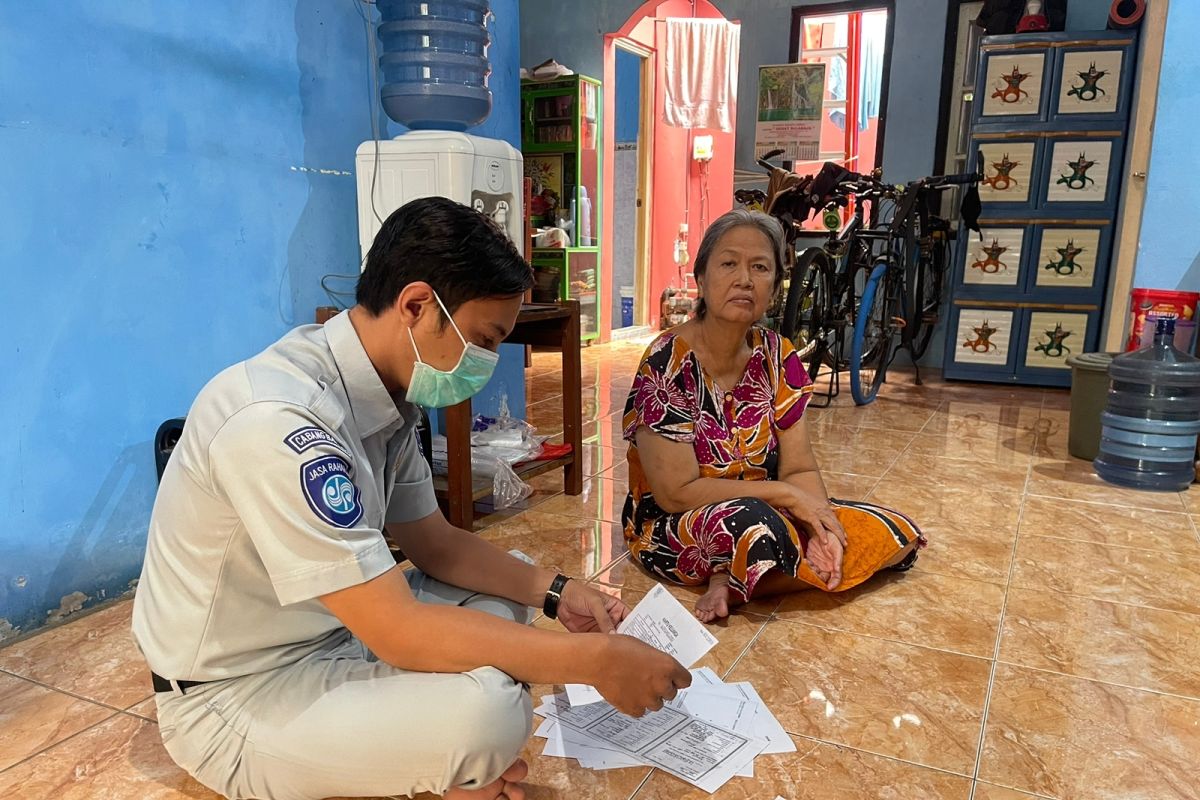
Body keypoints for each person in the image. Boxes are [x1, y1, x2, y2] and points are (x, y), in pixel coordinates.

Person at [132, 197, 691, 800]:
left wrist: (559, 594)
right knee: (490, 718)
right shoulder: (279, 423)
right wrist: (597, 662)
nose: (485, 363)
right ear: (418, 305)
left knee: (517, 586)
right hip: (236, 690)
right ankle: (426, 757)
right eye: (484, 339)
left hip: (336, 631)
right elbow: (397, 630)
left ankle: (411, 754)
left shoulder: (387, 398)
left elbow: (437, 546)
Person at [621, 208, 925, 623]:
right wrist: (785, 497)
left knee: (891, 529)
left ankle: (741, 577)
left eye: (760, 267)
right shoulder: (666, 362)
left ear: (775, 286)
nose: (744, 279)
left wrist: (820, 527)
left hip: (769, 509)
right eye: (728, 263)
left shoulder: (778, 355)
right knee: (757, 526)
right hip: (679, 521)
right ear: (702, 279)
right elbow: (676, 493)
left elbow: (798, 468)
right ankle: (748, 570)